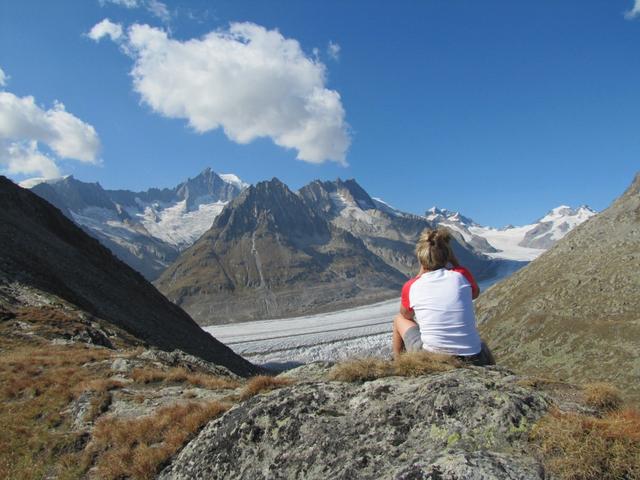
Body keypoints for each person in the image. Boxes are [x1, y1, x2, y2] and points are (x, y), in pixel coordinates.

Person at [392, 228, 494, 366]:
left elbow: (406, 315)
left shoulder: (412, 286)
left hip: (434, 358)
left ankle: (399, 365)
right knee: (481, 344)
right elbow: (474, 293)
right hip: (475, 356)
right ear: (448, 256)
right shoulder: (462, 275)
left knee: (399, 319)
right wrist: (454, 262)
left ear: (421, 258)